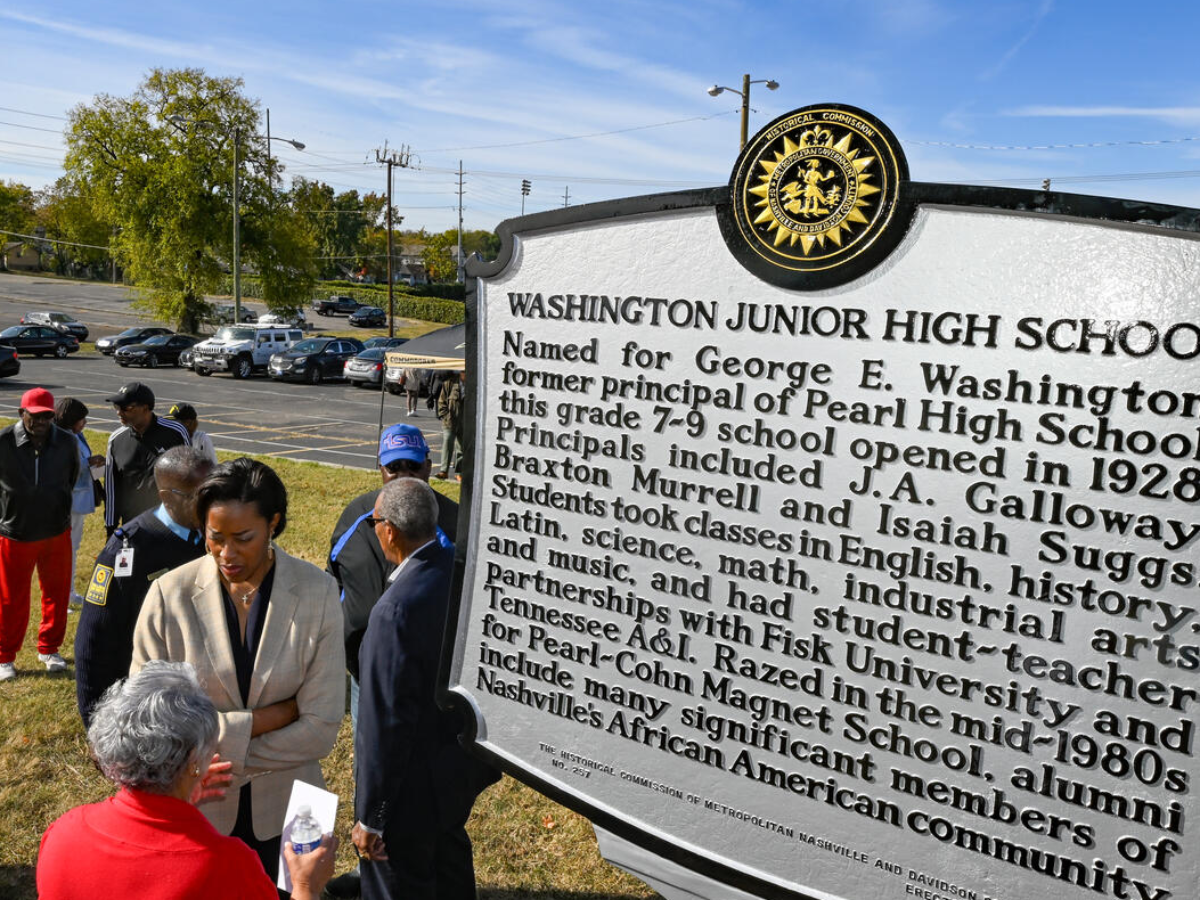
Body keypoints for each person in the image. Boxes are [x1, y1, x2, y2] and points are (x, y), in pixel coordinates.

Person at [132, 457, 345, 880]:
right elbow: (150, 724)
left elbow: (321, 729)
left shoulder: (319, 592)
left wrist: (213, 750)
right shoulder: (166, 595)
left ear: (274, 524)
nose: (227, 554)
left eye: (244, 537)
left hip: (296, 801)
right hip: (195, 810)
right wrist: (272, 718)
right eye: (215, 537)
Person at [38, 660, 338, 900]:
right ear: (195, 759)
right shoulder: (228, 866)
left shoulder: (61, 833)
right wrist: (305, 887)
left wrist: (183, 788)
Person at [353, 479, 497, 900]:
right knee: (450, 868)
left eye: (374, 521)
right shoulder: (460, 571)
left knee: (399, 882)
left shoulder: (394, 611)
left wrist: (372, 818)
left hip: (408, 790)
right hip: (456, 769)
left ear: (389, 531)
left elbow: (384, 724)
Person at [75, 445, 213, 726]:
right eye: (201, 496)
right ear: (167, 497)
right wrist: (95, 720)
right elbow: (95, 640)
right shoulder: (128, 549)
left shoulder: (215, 536)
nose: (212, 504)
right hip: (151, 697)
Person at [0, 388, 79, 681]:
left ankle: (49, 648)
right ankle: (5, 656)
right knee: (11, 598)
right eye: (35, 415)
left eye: (47, 415)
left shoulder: (67, 442)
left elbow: (70, 479)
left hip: (56, 532)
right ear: (22, 413)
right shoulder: (4, 442)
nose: (42, 421)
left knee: (56, 595)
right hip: (15, 533)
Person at [104, 382, 190, 536]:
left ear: (145, 408)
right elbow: (112, 487)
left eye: (126, 408)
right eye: (116, 407)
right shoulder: (116, 440)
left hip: (171, 524)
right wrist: (111, 527)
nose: (119, 412)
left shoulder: (175, 432)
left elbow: (191, 475)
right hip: (133, 525)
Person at [54, 397, 104, 606]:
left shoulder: (76, 435)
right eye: (82, 419)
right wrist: (88, 463)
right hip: (66, 502)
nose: (84, 423)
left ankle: (69, 592)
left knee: (72, 548)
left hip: (78, 499)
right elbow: (61, 467)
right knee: (64, 551)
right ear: (71, 419)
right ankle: (61, 598)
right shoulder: (60, 439)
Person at [434, 370, 465, 479]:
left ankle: (459, 473)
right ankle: (444, 471)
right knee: (447, 444)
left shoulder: (474, 384)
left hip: (465, 423)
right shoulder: (449, 383)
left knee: (461, 448)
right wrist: (445, 416)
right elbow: (441, 401)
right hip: (450, 421)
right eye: (463, 371)